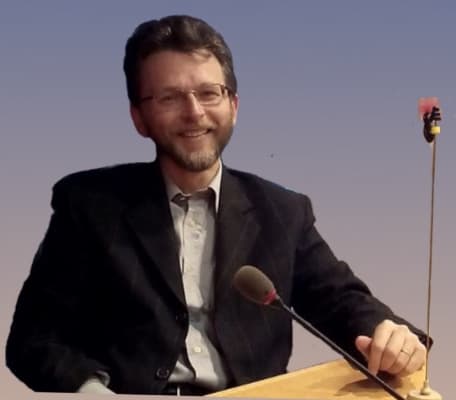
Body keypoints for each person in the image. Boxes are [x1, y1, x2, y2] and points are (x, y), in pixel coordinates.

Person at [6, 15, 428, 396]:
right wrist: (93, 391)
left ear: (234, 105)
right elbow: (34, 340)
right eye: (169, 98)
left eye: (209, 93)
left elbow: (341, 301)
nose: (194, 112)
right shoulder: (90, 207)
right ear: (138, 118)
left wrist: (389, 335)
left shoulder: (282, 212)